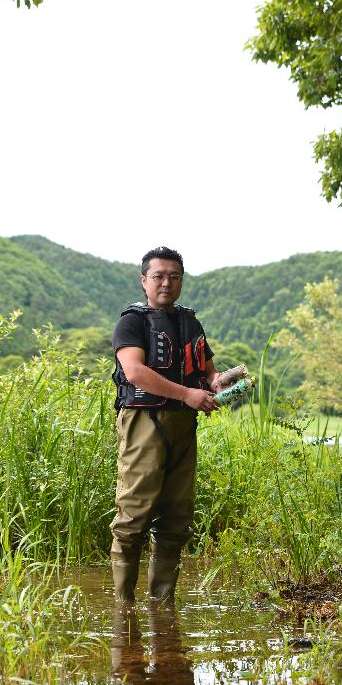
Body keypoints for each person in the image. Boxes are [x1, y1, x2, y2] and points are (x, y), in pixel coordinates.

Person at [110, 246, 221, 602]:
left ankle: (162, 605)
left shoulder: (191, 322)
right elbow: (135, 372)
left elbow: (207, 369)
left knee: (176, 519)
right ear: (144, 281)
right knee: (133, 516)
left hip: (183, 427)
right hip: (144, 420)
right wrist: (187, 395)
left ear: (181, 281)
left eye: (174, 277)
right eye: (158, 276)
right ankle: (123, 607)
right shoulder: (132, 322)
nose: (166, 283)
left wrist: (217, 383)